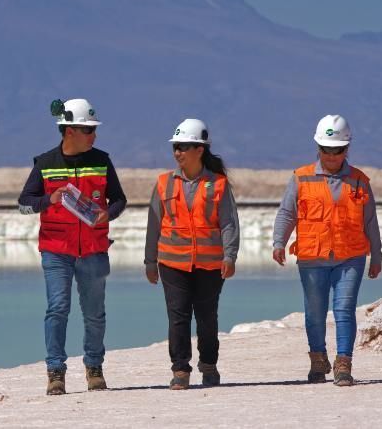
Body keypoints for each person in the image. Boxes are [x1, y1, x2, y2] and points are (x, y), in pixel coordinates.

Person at [18, 98, 127, 395]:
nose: (94, 135)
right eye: (88, 129)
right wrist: (47, 200)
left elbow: (120, 199)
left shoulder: (102, 161)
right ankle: (56, 373)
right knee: (57, 309)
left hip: (93, 249)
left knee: (94, 313)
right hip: (56, 250)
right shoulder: (45, 163)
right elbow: (23, 204)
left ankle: (94, 368)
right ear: (70, 132)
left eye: (94, 129)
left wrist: (110, 212)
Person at [272, 114, 382, 386]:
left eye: (338, 150)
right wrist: (278, 241)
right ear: (317, 148)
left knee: (344, 309)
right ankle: (318, 360)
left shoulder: (359, 180)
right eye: (326, 149)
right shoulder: (301, 178)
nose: (332, 155)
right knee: (315, 312)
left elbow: (370, 220)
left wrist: (376, 255)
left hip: (351, 257)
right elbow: (287, 213)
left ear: (347, 149)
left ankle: (343, 364)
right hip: (312, 256)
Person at [144, 118, 239, 390]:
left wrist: (229, 256)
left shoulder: (219, 185)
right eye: (175, 147)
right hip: (172, 262)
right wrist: (150, 261)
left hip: (210, 263)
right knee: (178, 316)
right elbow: (154, 225)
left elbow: (229, 223)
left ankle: (208, 365)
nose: (177, 153)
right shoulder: (164, 183)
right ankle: (180, 370)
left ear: (200, 149)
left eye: (183, 147)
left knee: (207, 317)